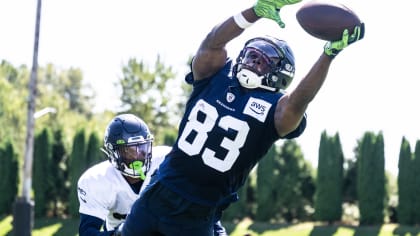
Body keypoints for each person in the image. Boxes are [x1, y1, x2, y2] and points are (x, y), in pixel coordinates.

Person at [120, 0, 365, 235]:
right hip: (159, 191)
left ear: (280, 74)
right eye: (251, 54)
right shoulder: (216, 74)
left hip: (198, 211)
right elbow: (212, 43)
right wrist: (256, 10)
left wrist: (328, 55)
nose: (253, 60)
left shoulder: (276, 108)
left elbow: (299, 99)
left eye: (264, 60)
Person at [77, 113, 231, 236]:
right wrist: (121, 233)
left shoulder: (165, 161)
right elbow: (88, 232)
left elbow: (199, 205)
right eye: (129, 150)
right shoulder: (97, 180)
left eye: (142, 148)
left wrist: (218, 231)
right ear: (113, 153)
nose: (138, 156)